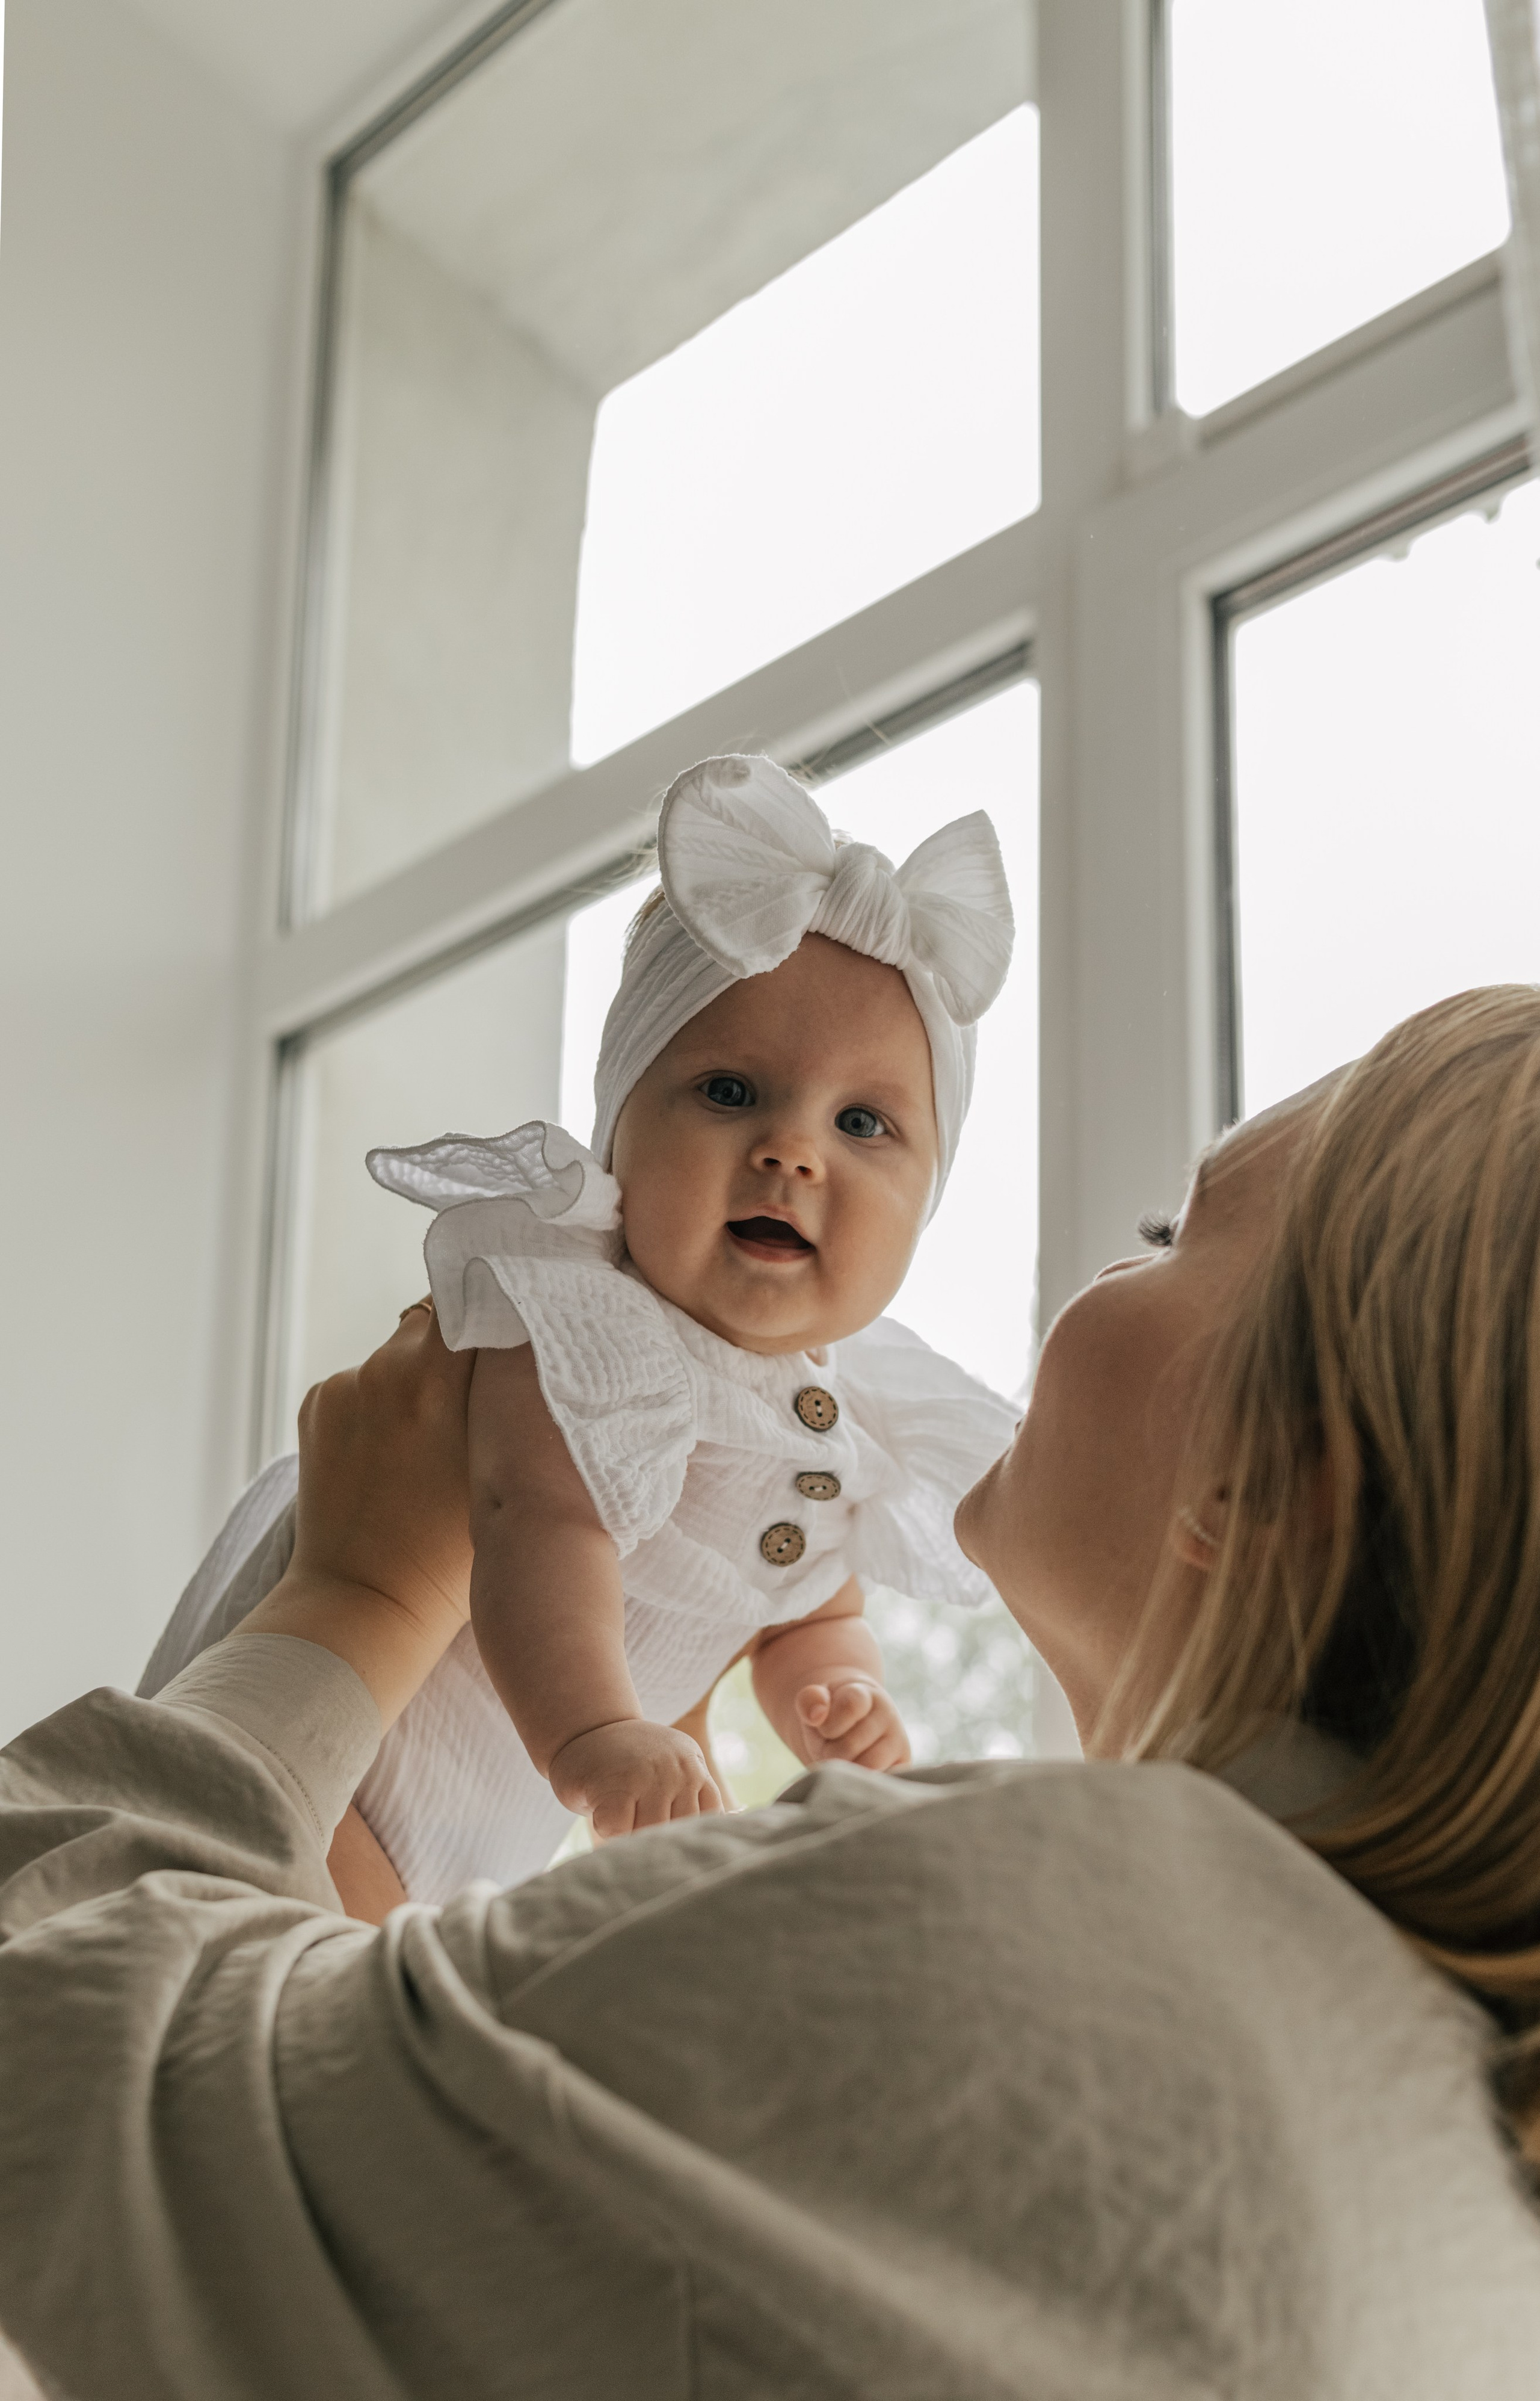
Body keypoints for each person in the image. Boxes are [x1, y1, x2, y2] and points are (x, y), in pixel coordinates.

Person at [5, 988, 1540, 2398]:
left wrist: (356, 1598)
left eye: (1165, 1232)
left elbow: (50, 2076)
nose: (1102, 1269)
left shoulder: (1009, 1942)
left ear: (1270, 1465)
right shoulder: (1448, 2182)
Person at [140, 754, 1020, 1902]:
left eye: (863, 1122)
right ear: (617, 1129)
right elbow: (541, 1523)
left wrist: (837, 1691)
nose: (792, 1150)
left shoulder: (858, 1414)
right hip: (353, 1747)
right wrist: (599, 1730)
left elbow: (809, 1607)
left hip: (495, 1814)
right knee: (297, 1937)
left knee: (371, 1978)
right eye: (730, 1091)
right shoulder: (583, 1315)